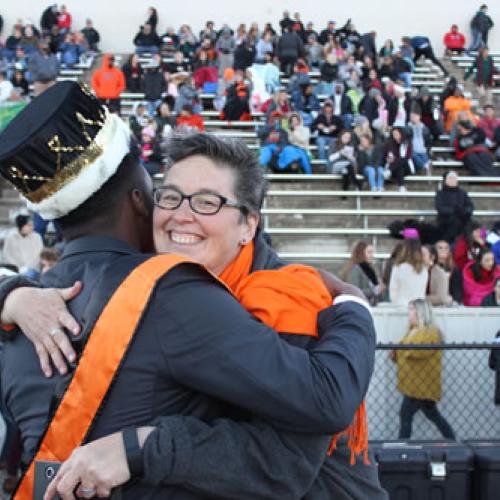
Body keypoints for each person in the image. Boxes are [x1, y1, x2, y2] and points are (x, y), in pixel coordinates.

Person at [0, 86, 380, 499]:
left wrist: (351, 308)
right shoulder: (163, 289)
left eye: (208, 202)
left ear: (249, 224)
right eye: (170, 196)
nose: (181, 214)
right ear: (141, 202)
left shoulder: (287, 297)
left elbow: (289, 456)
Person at [393, 299, 456, 439]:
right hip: (413, 384)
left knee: (406, 413)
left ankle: (402, 446)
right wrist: (396, 352)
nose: (409, 313)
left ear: (421, 312)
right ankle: (452, 439)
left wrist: (400, 350)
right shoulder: (411, 331)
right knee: (432, 414)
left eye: (411, 309)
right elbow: (403, 352)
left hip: (423, 384)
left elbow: (418, 351)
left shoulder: (431, 332)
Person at [340, 240, 385, 305]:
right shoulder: (355, 269)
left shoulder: (370, 269)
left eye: (372, 252)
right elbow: (355, 291)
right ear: (361, 253)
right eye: (369, 252)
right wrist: (375, 291)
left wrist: (379, 289)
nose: (372, 255)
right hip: (359, 307)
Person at [435, 170, 474, 243]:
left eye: (454, 178)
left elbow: (470, 206)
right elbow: (440, 208)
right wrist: (454, 211)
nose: (453, 180)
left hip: (463, 218)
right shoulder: (440, 193)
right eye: (450, 178)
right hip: (446, 220)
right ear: (445, 180)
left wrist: (465, 211)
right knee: (453, 223)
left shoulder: (462, 192)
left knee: (473, 225)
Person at [389, 238, 428, 305]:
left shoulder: (398, 268)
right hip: (419, 306)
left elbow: (393, 291)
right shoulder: (424, 269)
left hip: (401, 307)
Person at [383, 127, 414, 192]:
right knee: (400, 168)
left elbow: (407, 157)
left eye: (397, 134)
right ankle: (402, 186)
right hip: (395, 167)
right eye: (394, 134)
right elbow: (385, 156)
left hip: (407, 166)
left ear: (401, 134)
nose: (395, 136)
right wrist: (387, 159)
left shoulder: (407, 143)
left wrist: (395, 159)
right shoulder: (389, 144)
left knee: (402, 160)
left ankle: (389, 171)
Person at [435, 239, 463, 303]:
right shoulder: (431, 268)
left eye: (446, 248)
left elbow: (457, 292)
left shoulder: (455, 270)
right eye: (440, 248)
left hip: (451, 303)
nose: (443, 250)